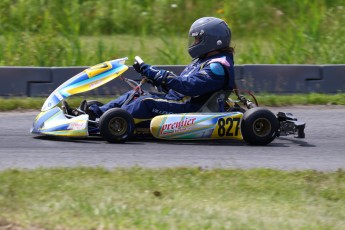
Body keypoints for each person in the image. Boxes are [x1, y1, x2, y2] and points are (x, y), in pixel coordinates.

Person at [69, 17, 235, 120]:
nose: (194, 44)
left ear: (213, 40)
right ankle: (94, 114)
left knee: (145, 102)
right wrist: (154, 79)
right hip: (179, 101)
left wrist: (160, 75)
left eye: (198, 39)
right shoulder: (203, 60)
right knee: (135, 94)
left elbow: (190, 87)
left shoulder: (217, 67)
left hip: (192, 110)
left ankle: (108, 122)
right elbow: (180, 88)